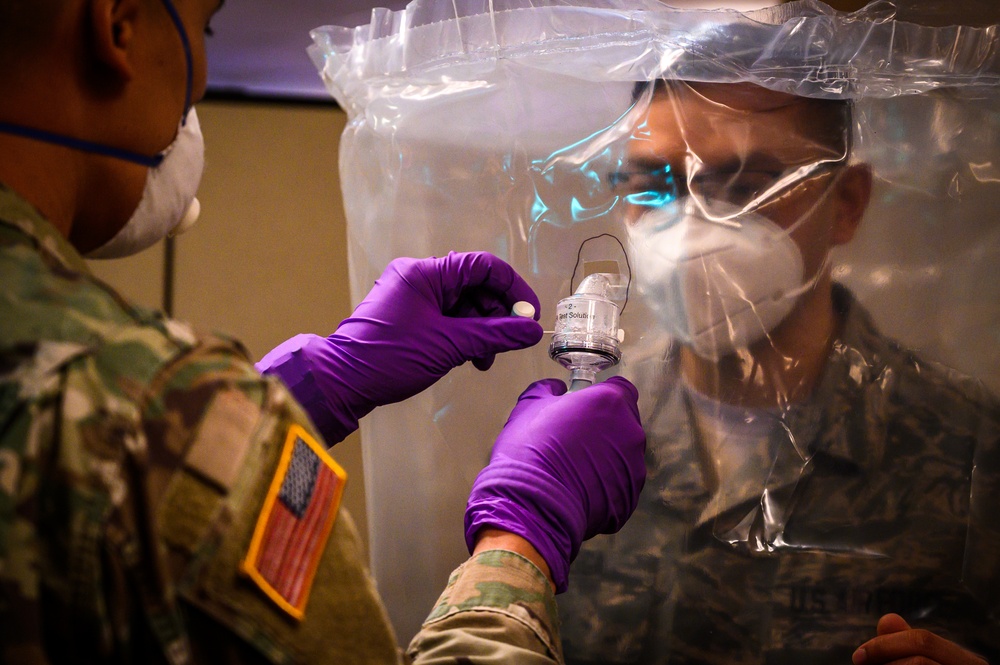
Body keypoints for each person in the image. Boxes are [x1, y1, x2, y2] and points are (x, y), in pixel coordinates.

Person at [0, 0, 647, 663]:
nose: (195, 88)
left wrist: (307, 386)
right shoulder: (148, 414)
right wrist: (521, 535)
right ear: (117, 25)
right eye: (206, 26)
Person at [555, 78, 1000, 664]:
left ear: (846, 203)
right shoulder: (574, 445)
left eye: (744, 185)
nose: (691, 229)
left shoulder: (970, 448)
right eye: (653, 186)